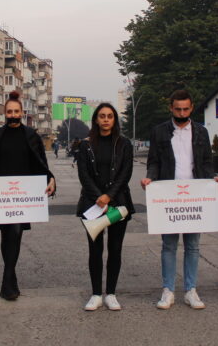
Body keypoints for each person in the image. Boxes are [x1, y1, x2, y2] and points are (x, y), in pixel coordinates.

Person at [141, 89, 218, 310]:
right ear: (171, 108)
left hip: (194, 195)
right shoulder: (159, 132)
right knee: (168, 245)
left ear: (191, 107)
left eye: (186, 109)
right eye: (177, 109)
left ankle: (190, 290)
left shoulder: (201, 132)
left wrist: (213, 177)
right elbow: (154, 161)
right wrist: (150, 178)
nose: (181, 112)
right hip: (169, 195)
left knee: (193, 246)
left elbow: (207, 162)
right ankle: (168, 290)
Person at [0, 91, 56, 300]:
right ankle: (10, 279)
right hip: (1, 197)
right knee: (6, 235)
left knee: (16, 233)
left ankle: (7, 279)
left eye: (16, 111)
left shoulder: (31, 136)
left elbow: (41, 162)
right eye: (9, 111)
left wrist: (51, 178)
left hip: (23, 196)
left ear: (22, 112)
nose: (12, 114)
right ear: (4, 113)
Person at [77, 103, 134, 311]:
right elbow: (83, 174)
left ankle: (111, 293)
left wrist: (109, 196)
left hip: (118, 203)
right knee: (95, 250)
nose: (106, 119)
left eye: (110, 116)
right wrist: (98, 197)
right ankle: (95, 294)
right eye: (102, 116)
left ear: (114, 120)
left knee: (115, 249)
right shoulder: (85, 145)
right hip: (92, 204)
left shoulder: (124, 144)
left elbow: (125, 173)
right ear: (96, 120)